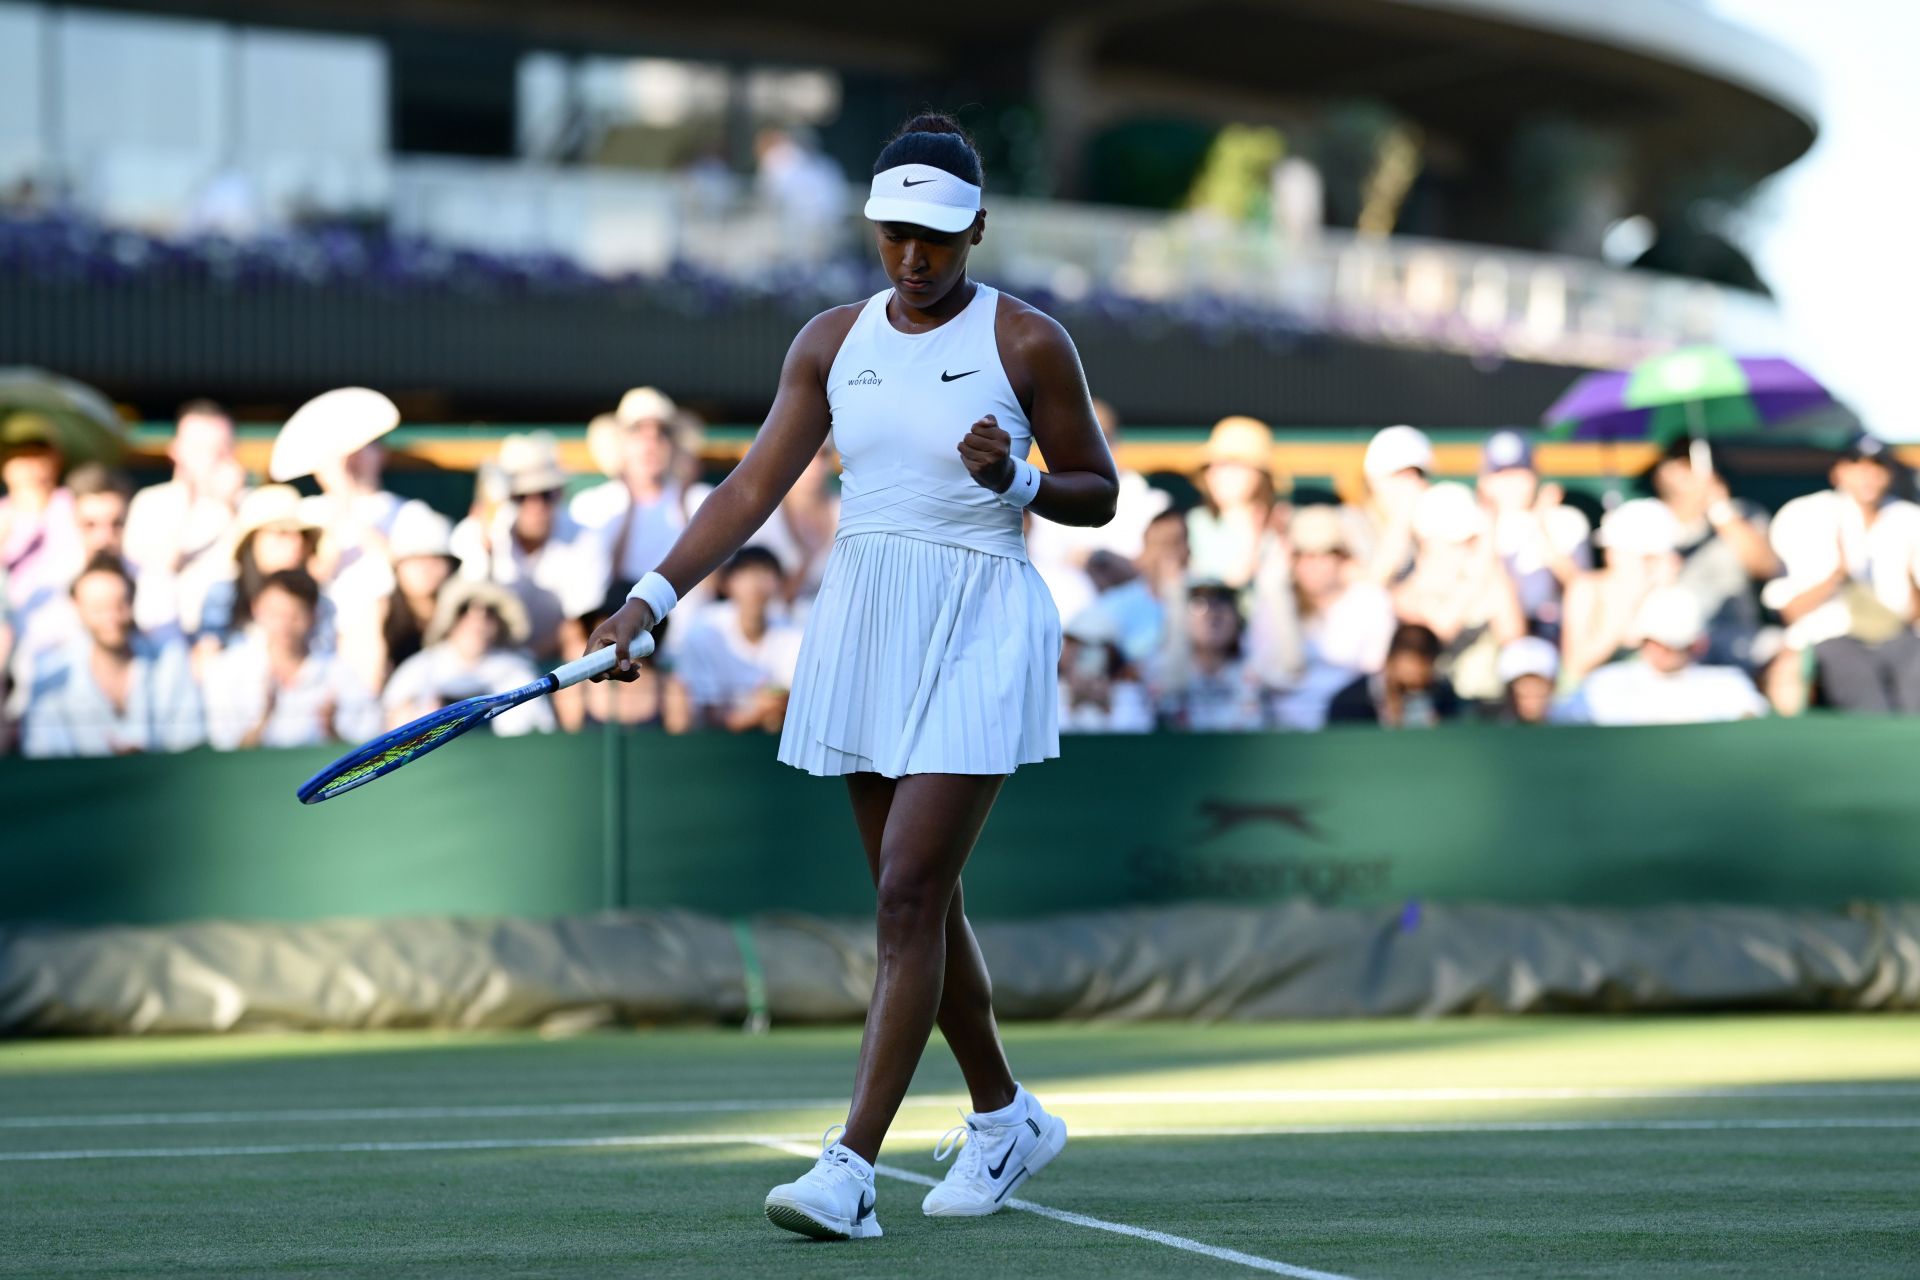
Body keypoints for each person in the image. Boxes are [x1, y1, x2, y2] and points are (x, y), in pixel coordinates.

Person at [584, 114, 1116, 1240]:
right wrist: (652, 600)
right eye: (893, 235)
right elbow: (745, 491)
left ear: (976, 227)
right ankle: (1005, 1113)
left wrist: (1018, 478)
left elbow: (1097, 487)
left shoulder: (1029, 342)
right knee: (920, 897)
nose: (913, 258)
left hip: (982, 614)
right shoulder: (830, 340)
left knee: (908, 895)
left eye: (934, 235)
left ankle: (850, 1166)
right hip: (865, 615)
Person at [1762, 435, 1920, 713]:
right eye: (1857, 465)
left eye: (1877, 466)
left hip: (1900, 637)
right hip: (1829, 637)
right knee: (1862, 689)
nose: (1868, 476)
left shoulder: (1908, 518)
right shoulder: (1806, 514)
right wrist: (1837, 577)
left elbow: (1912, 612)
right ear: (1838, 471)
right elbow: (1790, 610)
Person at [20, 554, 203, 758]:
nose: (111, 617)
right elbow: (43, 759)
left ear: (132, 601)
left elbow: (189, 744)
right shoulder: (51, 676)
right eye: (98, 609)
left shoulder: (171, 662)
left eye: (119, 605)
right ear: (78, 609)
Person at [452, 432, 608, 664]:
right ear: (509, 497)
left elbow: (577, 625)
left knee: (582, 649)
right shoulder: (480, 530)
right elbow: (465, 610)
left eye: (545, 494)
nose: (535, 506)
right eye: (522, 496)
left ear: (559, 493)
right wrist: (484, 551)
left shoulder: (586, 539)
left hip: (555, 658)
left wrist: (527, 659)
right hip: (488, 655)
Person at [203, 568, 379, 751]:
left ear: (313, 616)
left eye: (295, 615)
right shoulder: (226, 670)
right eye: (274, 613)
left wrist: (331, 731)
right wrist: (262, 722)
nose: (283, 625)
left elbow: (366, 749)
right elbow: (223, 751)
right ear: (256, 609)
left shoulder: (341, 674)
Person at [1026, 398, 1172, 617]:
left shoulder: (1153, 504)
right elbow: (1043, 570)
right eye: (1075, 439)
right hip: (1065, 629)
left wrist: (1099, 560)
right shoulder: (1042, 505)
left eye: (1097, 438)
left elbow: (1159, 579)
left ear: (1115, 443)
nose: (1085, 449)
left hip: (1135, 631)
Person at [1261, 504, 1396, 731]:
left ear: (1343, 557)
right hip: (1283, 731)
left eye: (1324, 554)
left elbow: (1375, 671)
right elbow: (1270, 672)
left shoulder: (1371, 600)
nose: (1313, 564)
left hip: (1351, 725)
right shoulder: (1275, 600)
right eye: (1303, 555)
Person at [1645, 438, 1778, 666]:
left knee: (1785, 654)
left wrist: (1721, 511)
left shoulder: (1743, 513)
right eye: (1683, 465)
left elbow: (1765, 567)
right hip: (1671, 638)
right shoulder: (1650, 519)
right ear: (1664, 472)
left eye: (1696, 462)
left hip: (1737, 634)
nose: (1691, 473)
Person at [1392, 482, 1525, 705]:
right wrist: (1481, 567)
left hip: (1487, 707)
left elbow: (1514, 640)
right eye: (1459, 541)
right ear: (1426, 541)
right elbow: (1442, 628)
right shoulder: (1407, 592)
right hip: (1431, 708)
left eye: (1472, 540)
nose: (1468, 548)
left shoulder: (1490, 579)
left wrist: (1491, 574)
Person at [1556, 585, 1768, 725]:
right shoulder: (1604, 684)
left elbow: (1757, 728)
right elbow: (1559, 720)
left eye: (1669, 644)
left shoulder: (1729, 687)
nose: (1658, 651)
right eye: (1652, 641)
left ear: (1697, 645)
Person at [123, 399, 247, 635]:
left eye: (221, 449)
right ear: (175, 450)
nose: (211, 458)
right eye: (200, 448)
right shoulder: (150, 503)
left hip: (229, 635)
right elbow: (153, 572)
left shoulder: (247, 504)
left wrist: (231, 508)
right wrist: (189, 506)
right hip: (163, 634)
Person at [569, 388, 701, 596]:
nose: (651, 443)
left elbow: (711, 586)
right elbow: (589, 589)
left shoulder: (699, 501)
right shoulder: (589, 507)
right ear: (620, 442)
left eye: (662, 432)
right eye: (637, 431)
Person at [383, 579, 554, 737]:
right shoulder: (419, 668)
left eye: (489, 612)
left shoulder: (517, 671)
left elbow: (538, 733)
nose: (477, 621)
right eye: (464, 610)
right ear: (450, 621)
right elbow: (391, 730)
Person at [674, 546, 804, 733]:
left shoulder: (793, 635)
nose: (756, 583)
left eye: (765, 572)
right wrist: (758, 710)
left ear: (779, 582)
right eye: (747, 572)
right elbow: (709, 714)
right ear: (728, 583)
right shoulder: (704, 631)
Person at [193, 485, 333, 658]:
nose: (295, 543)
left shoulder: (321, 601)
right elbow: (205, 661)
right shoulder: (225, 595)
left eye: (302, 535)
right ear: (253, 542)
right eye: (281, 533)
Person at [1476, 430, 1590, 639]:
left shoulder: (1564, 520)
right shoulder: (1471, 523)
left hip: (1554, 631)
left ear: (1535, 475)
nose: (1510, 482)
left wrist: (1540, 525)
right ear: (1484, 480)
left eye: (1518, 472)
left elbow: (1581, 588)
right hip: (1488, 636)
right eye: (1500, 473)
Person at [1561, 498, 1684, 686]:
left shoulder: (1669, 590)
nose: (1610, 555)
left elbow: (1676, 664)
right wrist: (1629, 600)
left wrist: (1663, 591)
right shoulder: (1586, 587)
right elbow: (1576, 666)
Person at [554, 591, 691, 734]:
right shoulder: (576, 691)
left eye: (611, 621)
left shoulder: (671, 688)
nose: (599, 632)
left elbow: (678, 748)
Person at [0, 418, 80, 645]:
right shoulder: (2, 514)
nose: (31, 466)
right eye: (21, 456)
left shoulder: (74, 507)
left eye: (38, 455)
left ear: (55, 460)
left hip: (65, 629)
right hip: (10, 632)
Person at [1152, 579, 1269, 731]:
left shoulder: (1259, 670)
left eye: (1223, 603)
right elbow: (1168, 689)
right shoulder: (1156, 668)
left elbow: (1289, 671)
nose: (1213, 614)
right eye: (1199, 604)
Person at [1185, 415, 1282, 592]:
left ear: (1260, 475)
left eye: (1233, 465)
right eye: (1214, 465)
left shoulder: (1283, 528)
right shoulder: (1193, 525)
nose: (1220, 474)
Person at [1326, 622, 1463, 728]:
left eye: (1422, 676)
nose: (1415, 683)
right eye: (1410, 673)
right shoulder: (1351, 702)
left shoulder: (1443, 697)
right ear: (1390, 661)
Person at [1057, 603, 1153, 733]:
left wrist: (1106, 708)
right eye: (1077, 644)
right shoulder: (1048, 695)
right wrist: (1073, 703)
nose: (1087, 656)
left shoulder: (1130, 696)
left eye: (1098, 647)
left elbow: (1137, 738)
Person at [1355, 424, 1432, 585]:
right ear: (1373, 480)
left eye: (1417, 475)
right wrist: (1402, 518)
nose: (1411, 485)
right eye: (1400, 475)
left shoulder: (1428, 526)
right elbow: (1370, 587)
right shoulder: (1351, 523)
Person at [1495, 635, 1560, 725]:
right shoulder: (1490, 723)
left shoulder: (1572, 719)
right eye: (1522, 694)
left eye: (1538, 693)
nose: (1531, 701)